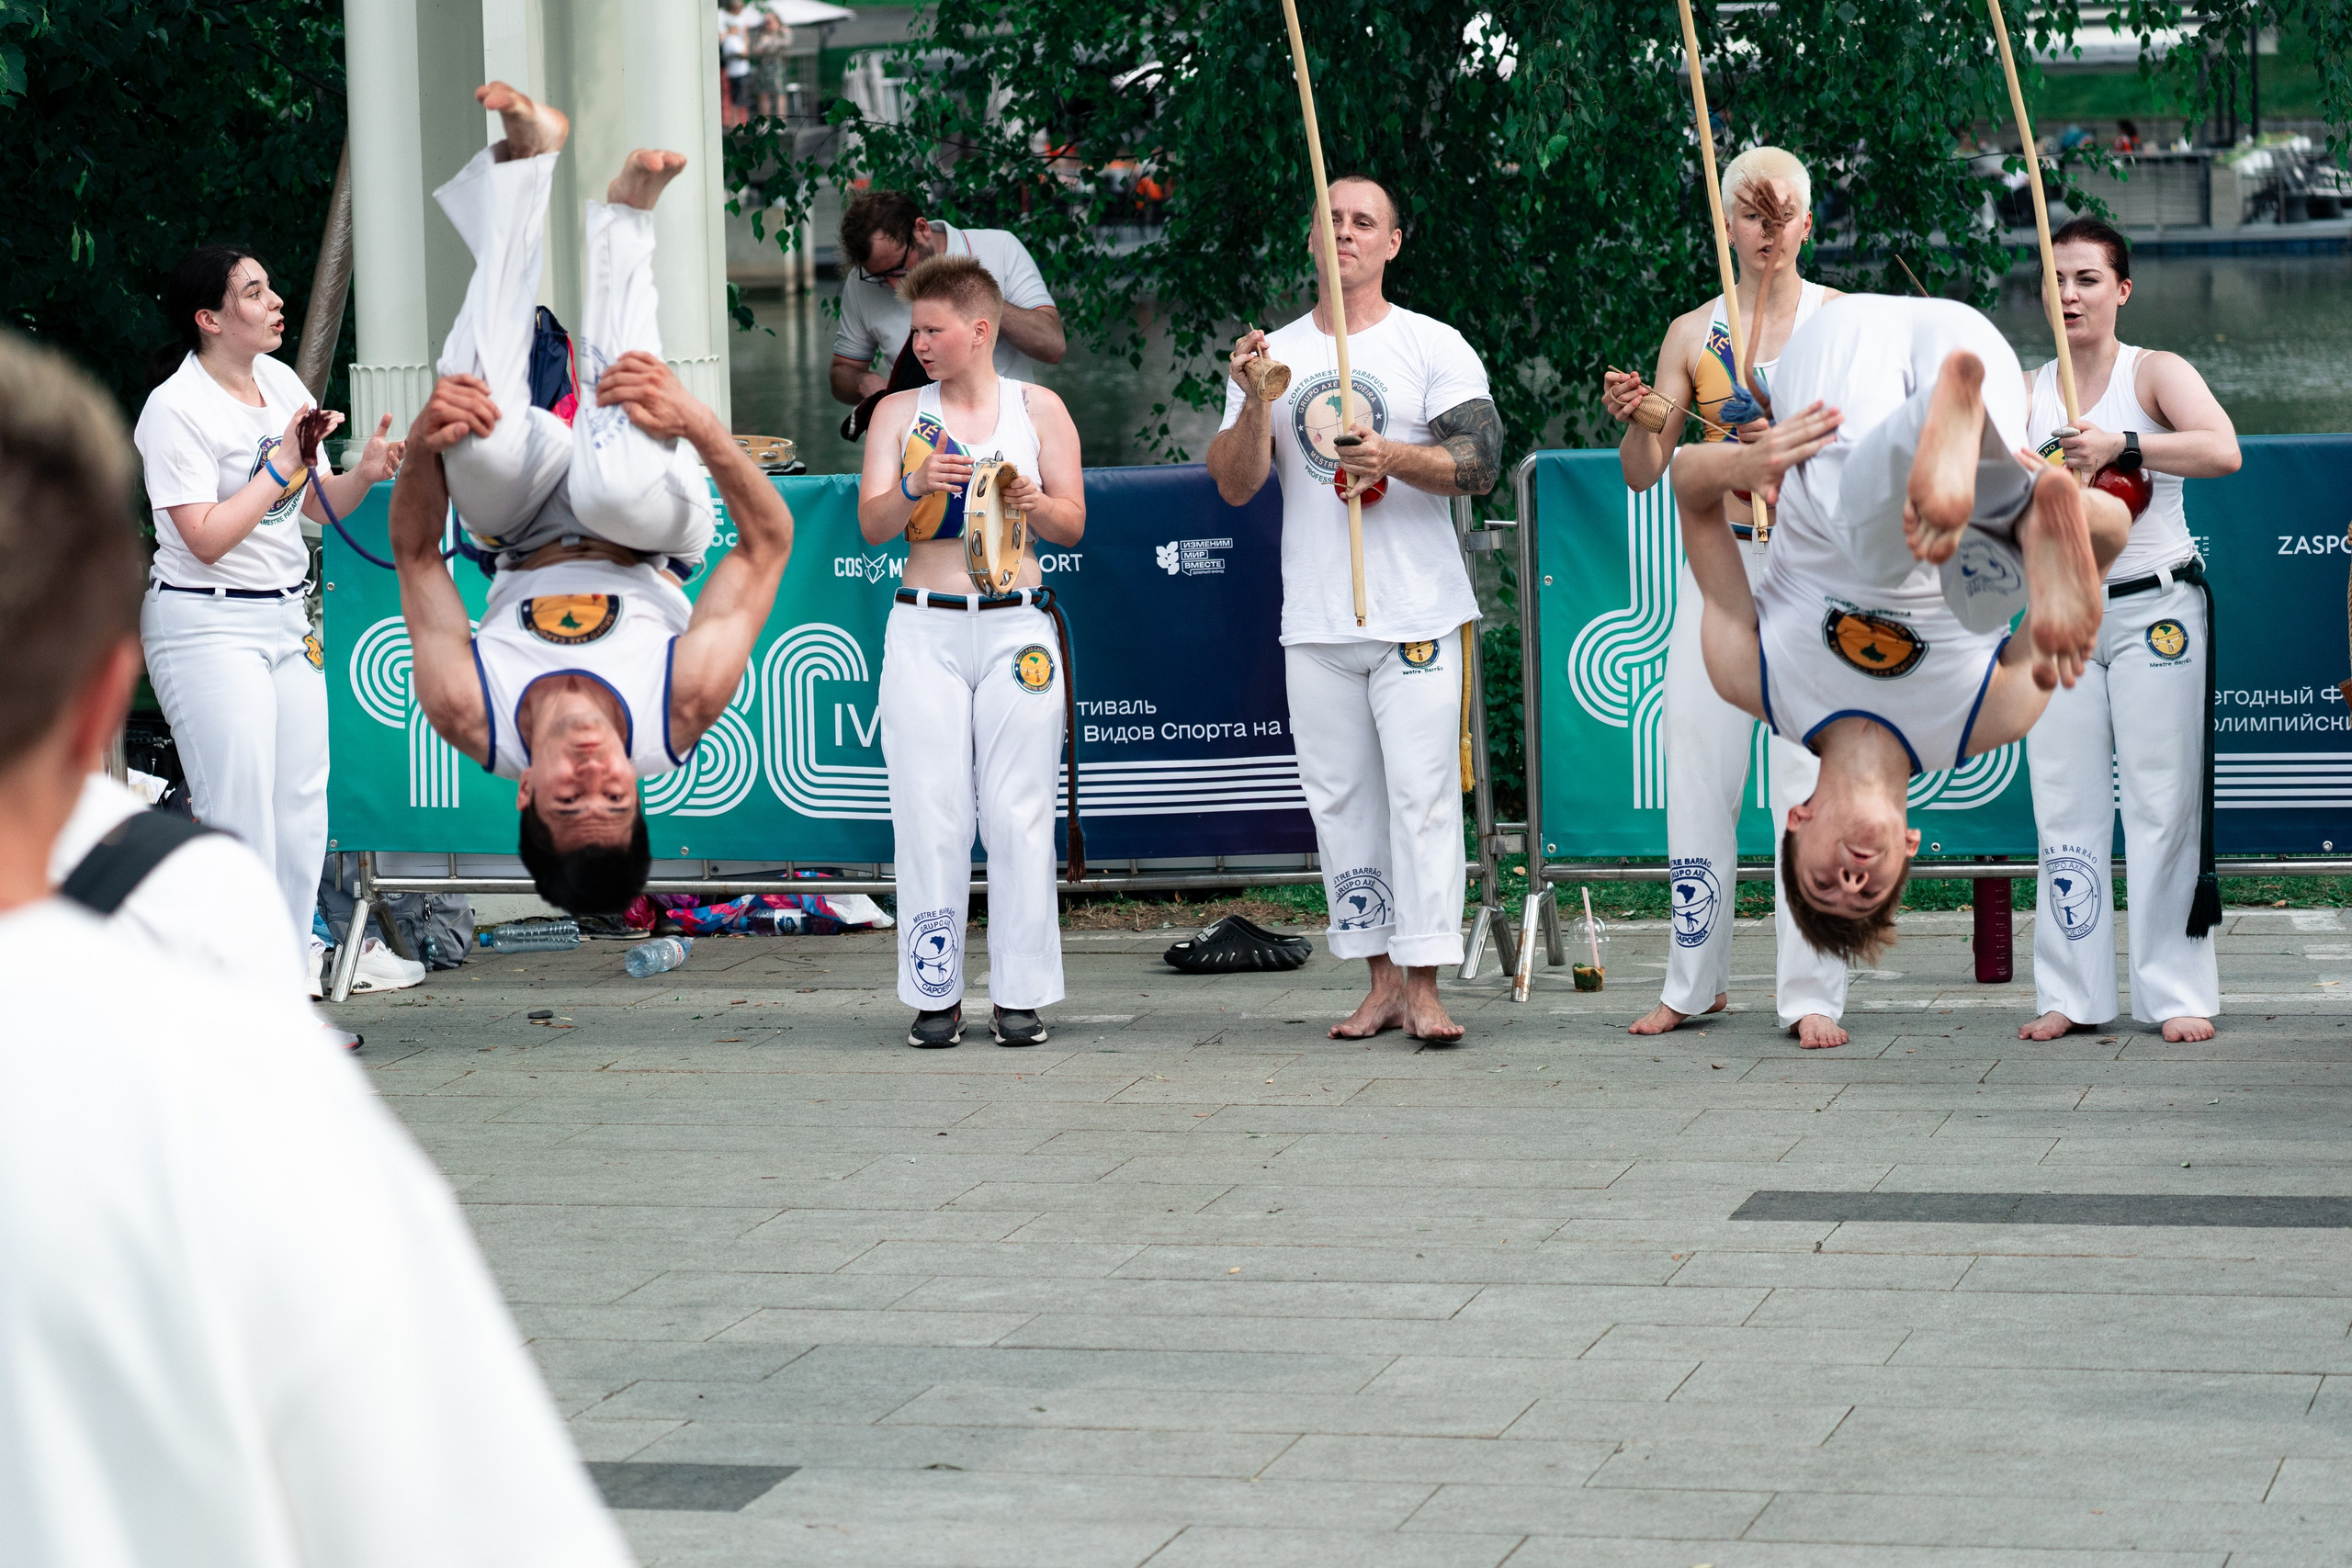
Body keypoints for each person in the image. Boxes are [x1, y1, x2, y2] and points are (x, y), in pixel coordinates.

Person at [0, 327, 632, 1568]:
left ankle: (306, 960)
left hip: (270, 625)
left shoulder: (217, 1080)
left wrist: (356, 470)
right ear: (105, 699)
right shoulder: (220, 1100)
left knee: (285, 823)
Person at [390, 84, 795, 916]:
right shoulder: (680, 704)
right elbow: (768, 544)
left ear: (525, 791)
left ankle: (525, 163)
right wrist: (697, 423)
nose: (593, 772)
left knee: (476, 427)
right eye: (614, 795)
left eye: (569, 798)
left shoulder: (469, 709)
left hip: (520, 528)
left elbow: (418, 553)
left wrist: (430, 432)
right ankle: (626, 222)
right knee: (612, 486)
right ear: (639, 794)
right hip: (652, 530)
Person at [1673, 295, 2131, 964]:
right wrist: (2088, 534)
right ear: (1909, 845)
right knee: (1985, 586)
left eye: (1825, 882)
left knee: (1872, 541)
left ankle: (1975, 472)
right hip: (1974, 352)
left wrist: (1743, 467)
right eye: (1870, 891)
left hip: (1838, 363)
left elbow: (1688, 485)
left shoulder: (1753, 680)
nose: (1852, 878)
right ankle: (2035, 510)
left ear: (1795, 821)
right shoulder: (1988, 718)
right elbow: (2114, 534)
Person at [1208, 174, 1501, 1043]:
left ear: (1392, 243)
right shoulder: (1271, 355)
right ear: (1311, 238)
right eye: (1330, 220)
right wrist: (1255, 399)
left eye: (1363, 221)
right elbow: (1235, 484)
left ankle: (1427, 982)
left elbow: (1481, 461)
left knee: (1423, 798)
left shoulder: (1431, 342)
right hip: (1318, 616)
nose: (1344, 232)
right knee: (1340, 804)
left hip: (1415, 612)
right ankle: (1380, 982)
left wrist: (1391, 457)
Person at [1600, 146, 1853, 1049]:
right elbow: (1644, 471)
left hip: (1809, 574)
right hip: (1718, 576)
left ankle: (1812, 990)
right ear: (1727, 226)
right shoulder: (1690, 333)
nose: (1768, 229)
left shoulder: (1841, 323)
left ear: (1807, 223)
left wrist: (1781, 437)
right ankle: (1692, 981)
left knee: (1805, 785)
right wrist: (1637, 417)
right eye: (1751, 213)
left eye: (1783, 212)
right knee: (1699, 776)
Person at [134, 246, 401, 964]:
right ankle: (239, 977)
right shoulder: (175, 409)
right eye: (254, 292)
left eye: (270, 287)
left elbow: (314, 504)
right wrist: (282, 461)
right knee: (239, 808)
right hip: (206, 624)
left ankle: (289, 966)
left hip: (285, 618)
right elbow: (205, 539)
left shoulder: (281, 382)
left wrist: (364, 475)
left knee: (301, 804)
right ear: (210, 319)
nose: (276, 300)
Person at [2018, 219, 2241, 1046]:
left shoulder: (2155, 371)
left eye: (2086, 279)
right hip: (2062, 609)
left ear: (2122, 289)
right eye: (2056, 279)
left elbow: (2223, 450)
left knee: (2161, 799)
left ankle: (2174, 989)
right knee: (2064, 802)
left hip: (2157, 608)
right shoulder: (2026, 388)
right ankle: (2071, 991)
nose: (2069, 294)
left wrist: (2125, 444)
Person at [856, 255, 1085, 1048]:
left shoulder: (1039, 408)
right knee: (930, 811)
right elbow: (872, 526)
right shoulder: (897, 413)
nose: (918, 343)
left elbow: (1072, 525)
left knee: (1021, 812)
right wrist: (916, 487)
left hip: (1018, 624)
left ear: (980, 330)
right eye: (914, 330)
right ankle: (935, 991)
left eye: (933, 329)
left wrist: (1033, 500)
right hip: (927, 624)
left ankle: (1020, 995)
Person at [830, 190, 1065, 417]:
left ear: (922, 229)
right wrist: (867, 383)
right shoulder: (860, 282)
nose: (894, 285)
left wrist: (979, 296)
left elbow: (1053, 346)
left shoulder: (999, 247)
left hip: (1008, 425)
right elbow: (842, 372)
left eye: (899, 268)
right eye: (879, 277)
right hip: (919, 432)